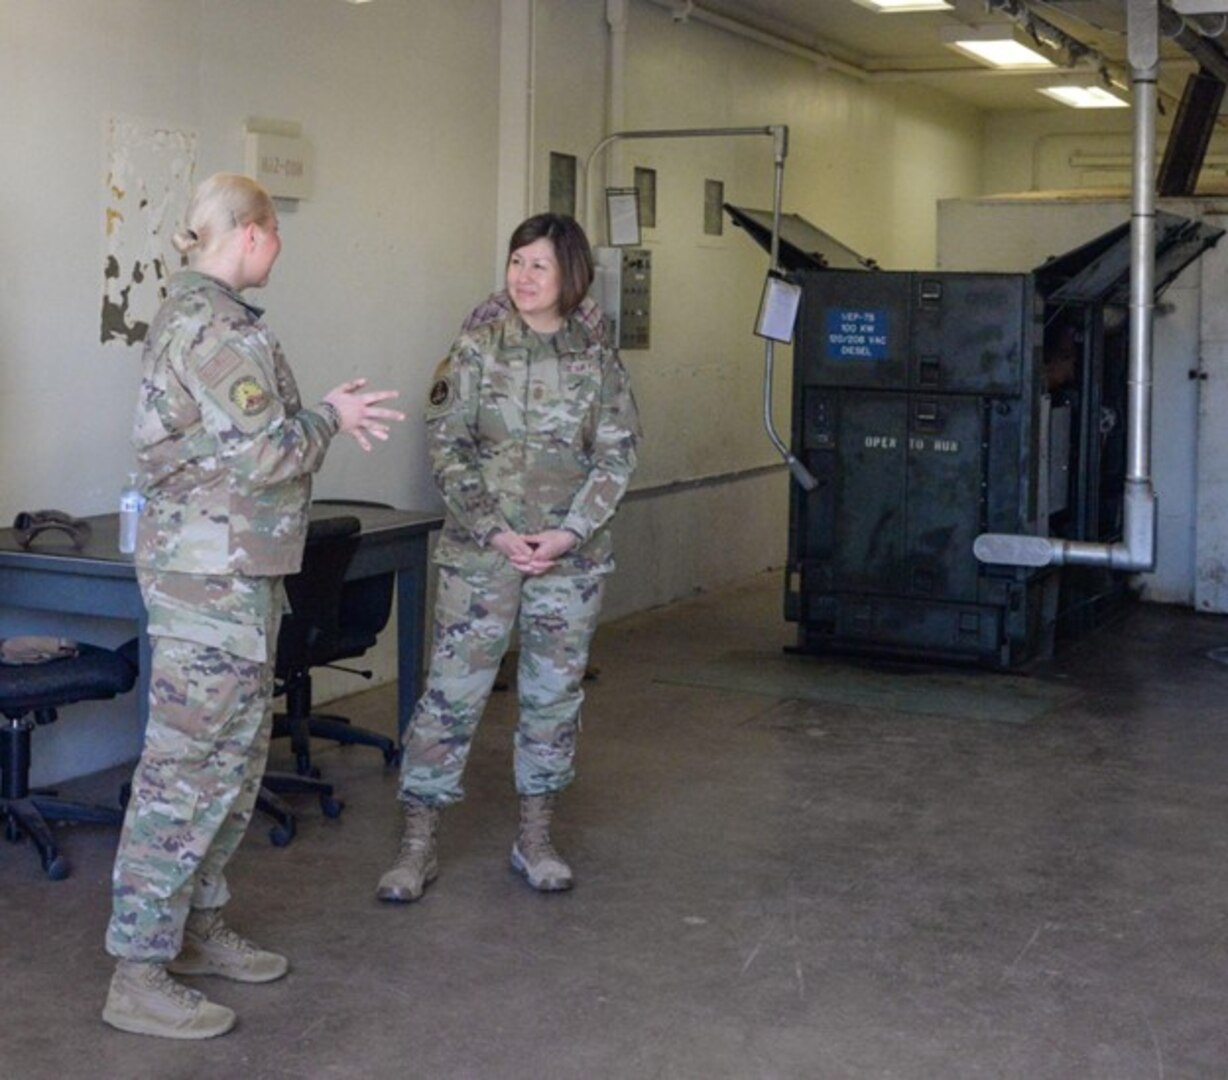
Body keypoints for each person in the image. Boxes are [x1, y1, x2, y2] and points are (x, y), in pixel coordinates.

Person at [102, 172, 405, 1040]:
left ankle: (194, 930)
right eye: (277, 233)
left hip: (236, 580)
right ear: (251, 232)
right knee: (185, 778)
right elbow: (266, 453)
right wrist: (332, 418)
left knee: (231, 773)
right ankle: (139, 970)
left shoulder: (219, 319)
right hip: (206, 585)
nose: (281, 248)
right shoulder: (209, 325)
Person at [378, 213, 639, 903]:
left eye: (539, 266)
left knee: (553, 698)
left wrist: (569, 533)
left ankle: (536, 837)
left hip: (568, 562)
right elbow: (448, 447)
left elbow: (618, 455)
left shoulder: (595, 360)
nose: (523, 277)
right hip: (480, 555)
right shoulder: (477, 349)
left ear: (570, 276)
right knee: (450, 697)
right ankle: (417, 844)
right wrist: (493, 529)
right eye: (516, 262)